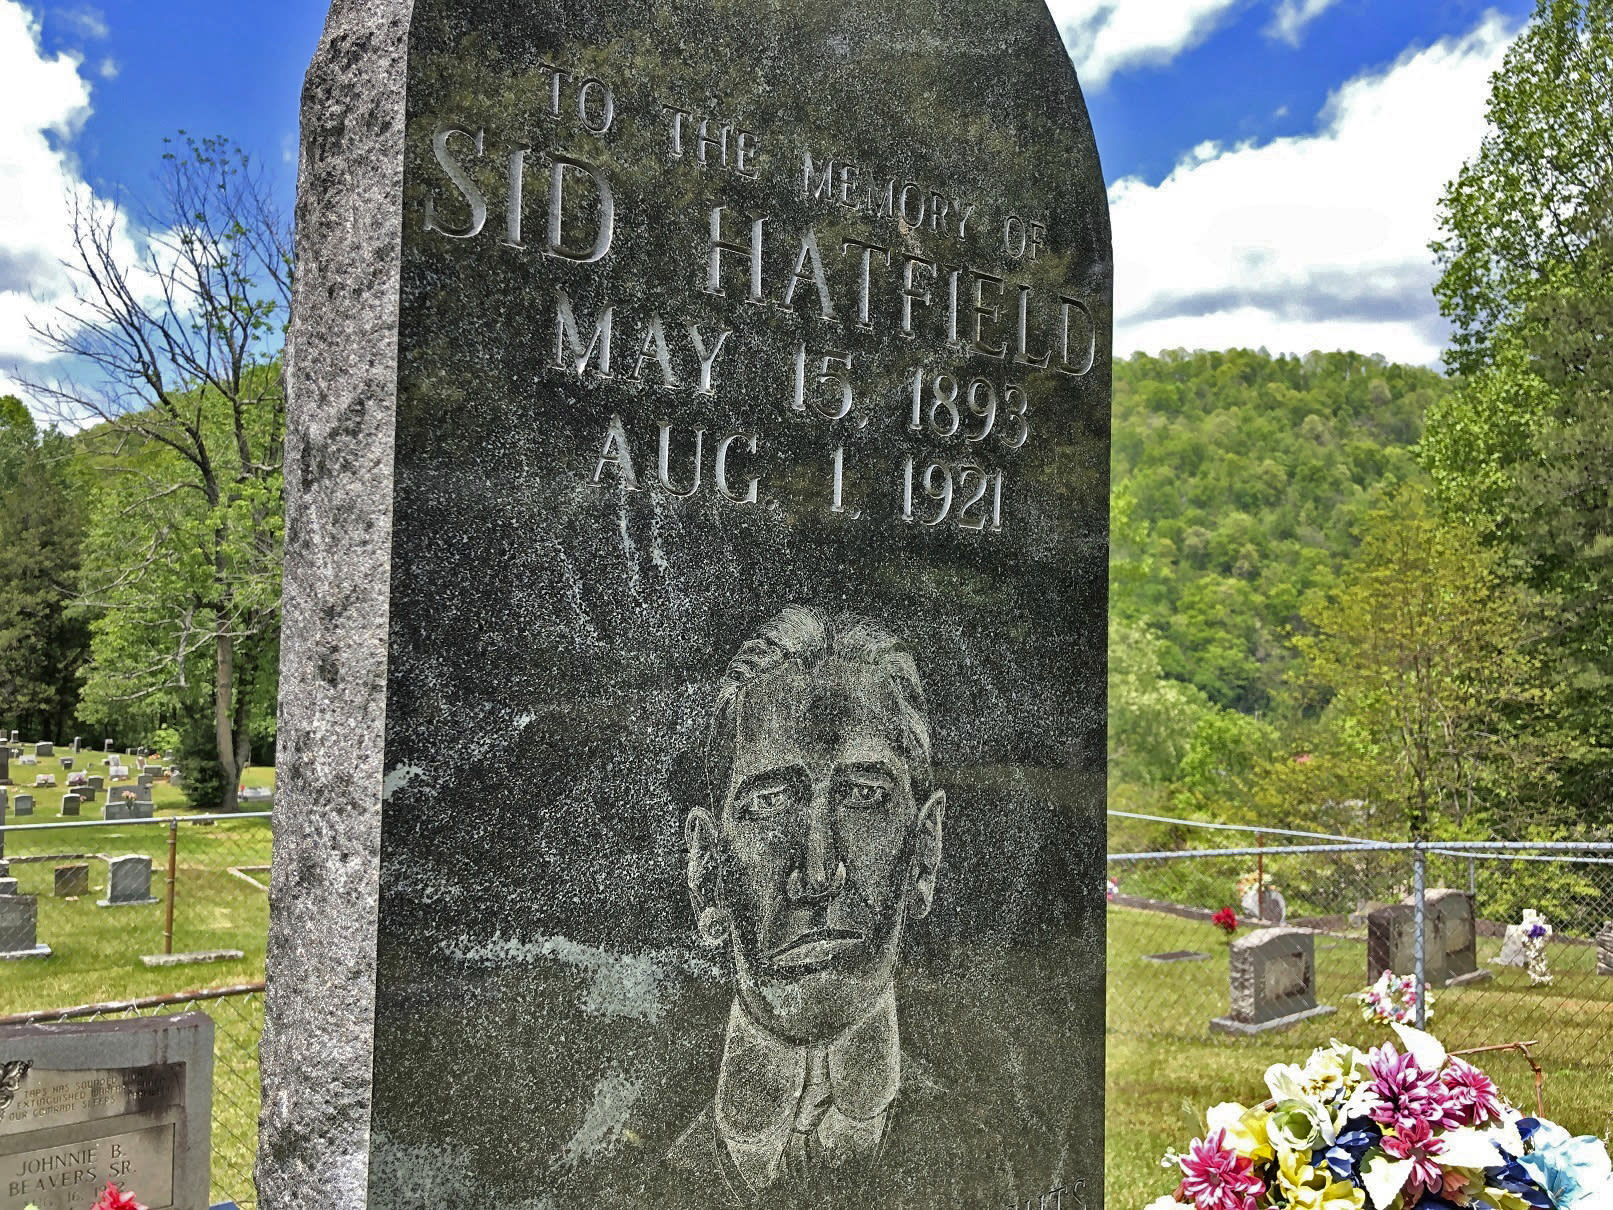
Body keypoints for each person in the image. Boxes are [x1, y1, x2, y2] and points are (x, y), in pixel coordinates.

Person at [667, 605, 951, 1203]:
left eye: (864, 797)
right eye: (769, 803)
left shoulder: (1021, 1126)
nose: (819, 873)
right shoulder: (611, 1149)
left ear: (924, 849)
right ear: (707, 869)